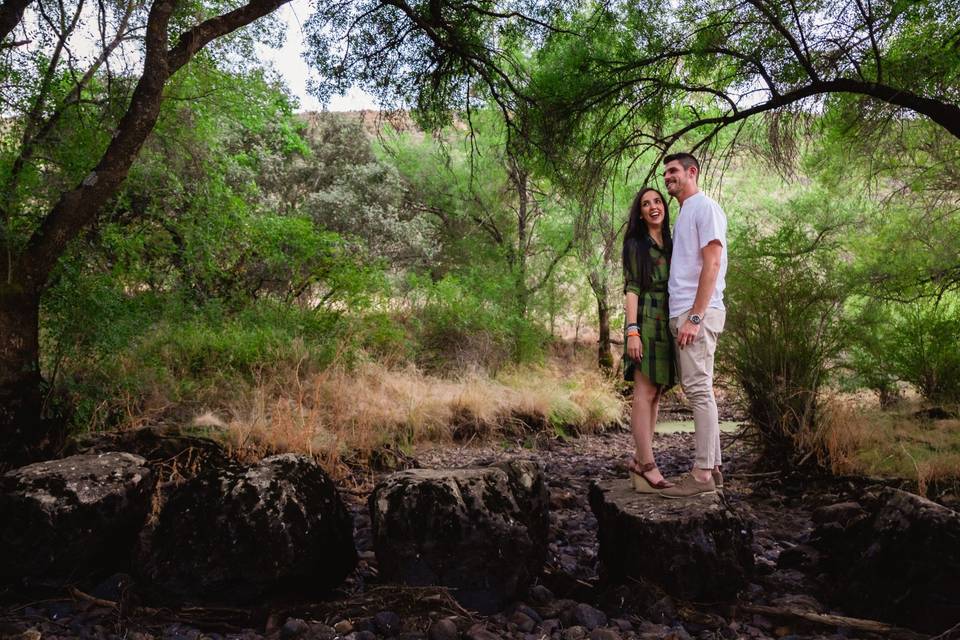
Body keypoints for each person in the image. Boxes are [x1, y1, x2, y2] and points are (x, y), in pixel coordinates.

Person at [658, 152, 728, 499]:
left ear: (691, 172)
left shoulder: (705, 207)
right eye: (665, 173)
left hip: (696, 314)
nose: (668, 177)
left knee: (699, 391)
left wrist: (695, 317)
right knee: (702, 389)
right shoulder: (685, 212)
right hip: (687, 313)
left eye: (673, 171)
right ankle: (712, 467)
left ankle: (701, 473)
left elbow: (712, 263)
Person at [622, 187, 678, 493]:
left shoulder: (670, 243)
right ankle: (646, 465)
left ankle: (639, 458)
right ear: (640, 213)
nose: (653, 207)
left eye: (657, 201)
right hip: (644, 319)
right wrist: (633, 331)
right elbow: (632, 288)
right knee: (643, 393)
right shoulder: (635, 245)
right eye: (646, 204)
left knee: (655, 393)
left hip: (666, 322)